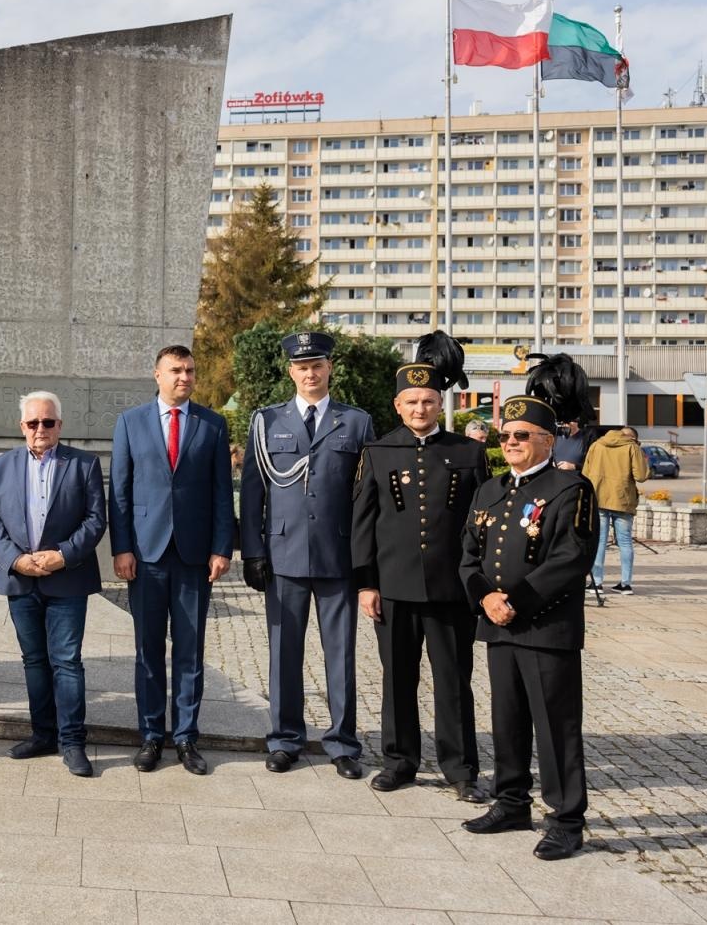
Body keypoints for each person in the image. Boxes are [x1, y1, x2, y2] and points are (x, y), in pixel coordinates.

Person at [459, 395, 597, 861]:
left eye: (522, 435)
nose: (511, 442)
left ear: (548, 441)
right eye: (505, 436)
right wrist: (485, 598)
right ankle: (512, 802)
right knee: (508, 719)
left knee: (556, 727)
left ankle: (566, 820)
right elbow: (468, 555)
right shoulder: (490, 490)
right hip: (499, 627)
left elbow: (571, 558)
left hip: (546, 627)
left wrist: (515, 603)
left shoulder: (569, 488)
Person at [353, 358, 490, 801]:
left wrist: (479, 581)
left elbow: (483, 523)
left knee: (453, 681)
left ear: (440, 403)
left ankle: (461, 769)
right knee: (397, 679)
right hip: (393, 587)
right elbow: (363, 524)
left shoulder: (468, 453)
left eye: (428, 401)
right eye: (411, 401)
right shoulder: (378, 452)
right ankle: (399, 762)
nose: (420, 409)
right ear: (397, 405)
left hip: (451, 589)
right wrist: (366, 584)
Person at [241, 331, 375, 779]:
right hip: (284, 555)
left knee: (341, 654)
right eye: (302, 367)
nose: (310, 373)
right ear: (290, 372)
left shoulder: (356, 422)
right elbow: (253, 492)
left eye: (317, 365)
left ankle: (343, 744)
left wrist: (365, 560)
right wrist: (252, 551)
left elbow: (366, 497)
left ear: (329, 368)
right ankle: (284, 739)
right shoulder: (267, 421)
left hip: (339, 556)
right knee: (284, 654)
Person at [109, 346, 235, 776]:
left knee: (189, 651)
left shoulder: (212, 424)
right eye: (176, 370)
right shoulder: (130, 422)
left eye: (190, 370)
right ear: (157, 375)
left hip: (194, 557)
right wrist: (121, 548)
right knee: (147, 650)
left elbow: (222, 492)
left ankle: (185, 737)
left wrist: (222, 548)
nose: (185, 377)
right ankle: (150, 736)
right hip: (146, 555)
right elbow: (119, 491)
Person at [0, 392, 107, 777]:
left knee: (66, 662)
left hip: (67, 578)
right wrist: (15, 559)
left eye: (48, 422)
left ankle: (73, 742)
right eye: (33, 422)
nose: (41, 429)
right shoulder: (1, 465)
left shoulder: (84, 464)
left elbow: (95, 519)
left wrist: (62, 555)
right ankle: (43, 735)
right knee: (34, 661)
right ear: (22, 426)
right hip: (21, 579)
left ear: (60, 425)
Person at [581, 425, 650, 594]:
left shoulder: (596, 445)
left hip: (599, 498)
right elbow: (641, 476)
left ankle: (597, 583)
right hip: (623, 500)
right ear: (632, 438)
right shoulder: (632, 447)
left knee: (599, 541)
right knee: (625, 542)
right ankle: (625, 584)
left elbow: (585, 474)